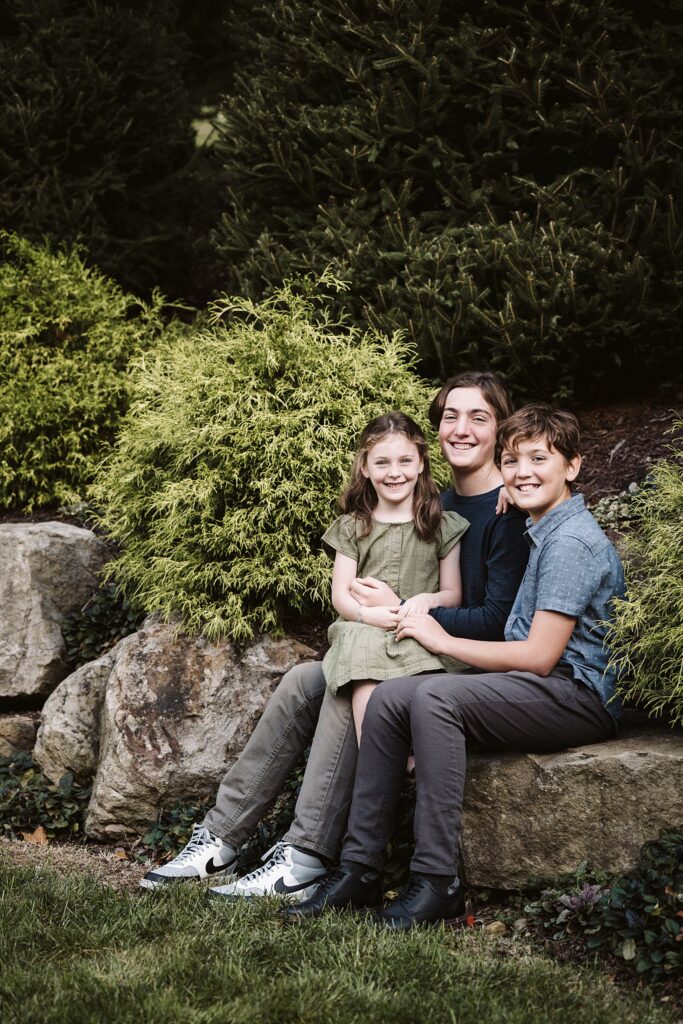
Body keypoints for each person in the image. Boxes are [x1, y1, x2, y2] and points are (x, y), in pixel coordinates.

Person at [139, 371, 529, 900]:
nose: (461, 429)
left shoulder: (509, 508)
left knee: (351, 681)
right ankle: (220, 838)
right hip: (402, 643)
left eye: (478, 418)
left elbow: (495, 621)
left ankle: (305, 855)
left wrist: (401, 614)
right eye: (450, 416)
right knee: (305, 680)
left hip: (457, 663)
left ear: (501, 430)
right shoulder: (429, 497)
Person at [284, 405, 624, 927]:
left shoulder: (570, 543)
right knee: (394, 696)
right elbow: (519, 493)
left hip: (575, 695)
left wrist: (442, 636)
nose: (523, 471)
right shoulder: (543, 524)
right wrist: (517, 491)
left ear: (573, 467)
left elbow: (539, 656)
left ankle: (437, 880)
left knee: (433, 696)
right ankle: (360, 869)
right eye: (512, 462)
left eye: (540, 459)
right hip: (538, 686)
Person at [321, 411, 469, 743]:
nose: (394, 472)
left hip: (415, 626)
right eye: (382, 462)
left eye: (405, 461)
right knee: (363, 657)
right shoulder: (353, 527)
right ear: (365, 467)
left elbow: (452, 594)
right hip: (366, 627)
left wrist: (424, 601)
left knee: (421, 667)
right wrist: (365, 615)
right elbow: (340, 595)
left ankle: (414, 750)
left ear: (420, 463)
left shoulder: (442, 525)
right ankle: (375, 749)